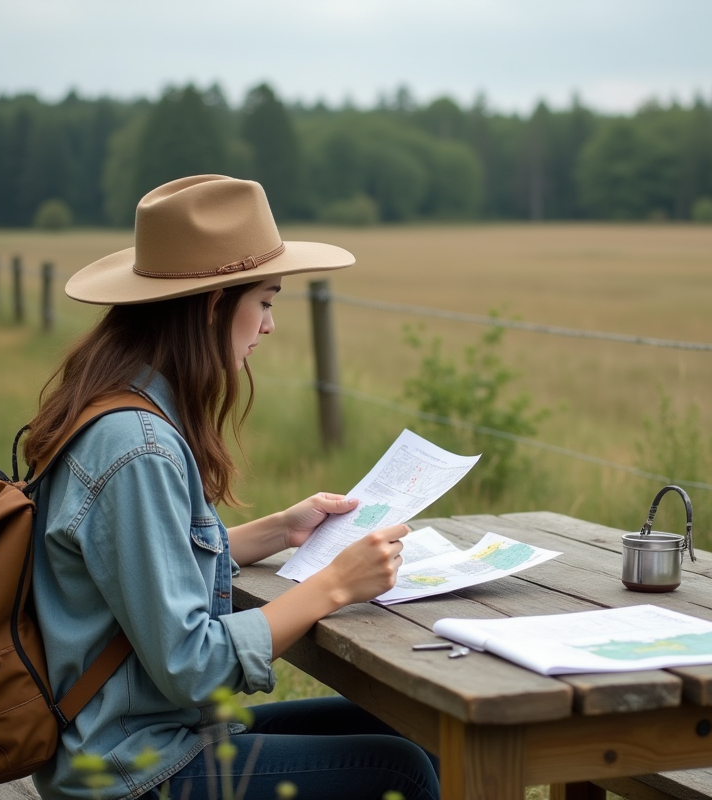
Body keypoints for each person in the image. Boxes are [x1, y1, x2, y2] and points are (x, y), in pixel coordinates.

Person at [22, 175, 439, 800]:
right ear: (214, 305)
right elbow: (193, 666)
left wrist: (279, 529)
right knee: (399, 771)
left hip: (143, 735)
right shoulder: (138, 447)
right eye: (266, 301)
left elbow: (145, 565)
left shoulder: (122, 410)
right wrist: (334, 586)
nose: (268, 326)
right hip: (128, 770)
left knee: (413, 729)